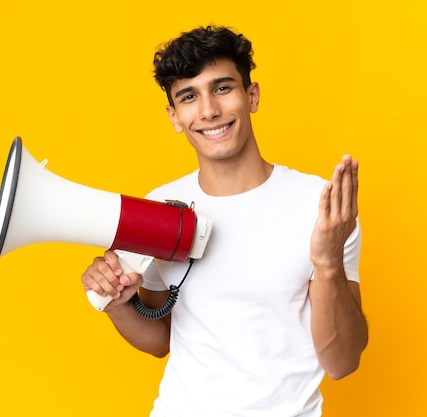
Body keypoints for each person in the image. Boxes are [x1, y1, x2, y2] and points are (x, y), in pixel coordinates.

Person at [81, 25, 368, 416]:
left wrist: (329, 263)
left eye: (222, 88)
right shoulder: (160, 209)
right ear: (174, 116)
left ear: (252, 96)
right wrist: (117, 303)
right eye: (188, 96)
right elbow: (159, 339)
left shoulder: (320, 207)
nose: (208, 111)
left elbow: (342, 362)